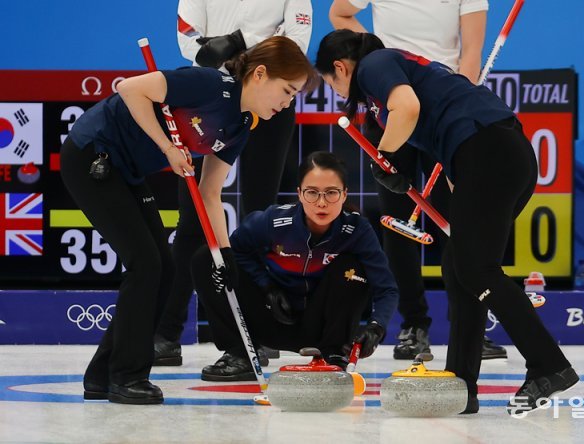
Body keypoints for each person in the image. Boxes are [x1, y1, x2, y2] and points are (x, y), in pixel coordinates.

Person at [315, 30, 578, 415]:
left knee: (476, 269)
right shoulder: (407, 71)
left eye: (329, 82)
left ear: (339, 67)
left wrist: (383, 158)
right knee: (461, 268)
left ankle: (549, 363)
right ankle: (462, 386)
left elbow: (405, 109)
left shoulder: (374, 66)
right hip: (501, 157)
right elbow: (443, 139)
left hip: (489, 152)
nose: (337, 91)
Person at [60, 36, 316, 404]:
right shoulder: (211, 85)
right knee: (146, 263)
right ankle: (127, 376)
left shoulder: (241, 124)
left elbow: (210, 191)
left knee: (163, 265)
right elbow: (130, 89)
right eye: (287, 90)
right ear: (260, 74)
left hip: (128, 171)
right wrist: (167, 148)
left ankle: (102, 374)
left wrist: (224, 255)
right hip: (93, 155)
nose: (288, 102)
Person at [328, 0, 508, 361]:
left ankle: (468, 322)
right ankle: (414, 325)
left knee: (457, 221)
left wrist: (462, 97)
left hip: (442, 109)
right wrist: (381, 52)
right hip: (392, 104)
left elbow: (471, 49)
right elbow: (339, 13)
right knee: (397, 222)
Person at [153, 0, 313, 365]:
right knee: (193, 217)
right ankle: (166, 332)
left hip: (268, 96)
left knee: (261, 217)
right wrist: (230, 57)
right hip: (208, 96)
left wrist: (237, 43)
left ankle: (261, 331)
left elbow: (295, 44)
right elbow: (190, 39)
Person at [190, 151, 398, 380]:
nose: (321, 202)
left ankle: (335, 354)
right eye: (312, 193)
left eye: (331, 193)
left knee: (352, 268)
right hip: (273, 319)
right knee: (209, 258)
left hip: (322, 327)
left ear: (344, 194)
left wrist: (377, 327)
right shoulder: (272, 221)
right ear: (299, 194)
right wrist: (268, 286)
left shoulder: (357, 230)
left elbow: (386, 288)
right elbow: (236, 253)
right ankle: (240, 353)